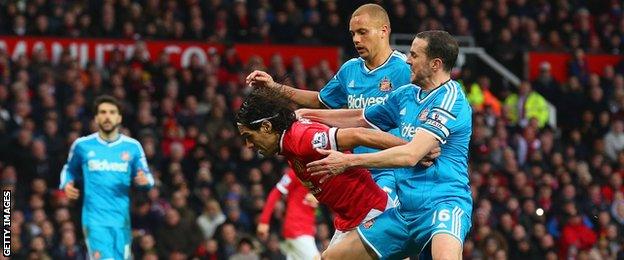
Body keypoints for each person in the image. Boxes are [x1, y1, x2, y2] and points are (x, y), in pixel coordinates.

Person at [299, 31, 472, 259]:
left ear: (435, 64)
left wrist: (348, 161)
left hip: (443, 205)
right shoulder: (406, 94)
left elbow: (411, 155)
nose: (407, 60)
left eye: (414, 55)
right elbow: (360, 117)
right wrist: (306, 115)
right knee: (331, 257)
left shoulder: (450, 99)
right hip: (404, 213)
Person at [245, 4, 438, 205]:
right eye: (353, 33)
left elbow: (430, 105)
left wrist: (424, 145)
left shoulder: (404, 69)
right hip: (357, 171)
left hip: (394, 170)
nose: (356, 39)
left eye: (363, 32)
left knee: (376, 227)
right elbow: (320, 101)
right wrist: (274, 86)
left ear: (384, 31)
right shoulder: (350, 69)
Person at [236, 87, 406, 248]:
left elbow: (358, 134)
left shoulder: (301, 138)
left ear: (266, 126)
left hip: (371, 213)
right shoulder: (287, 144)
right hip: (348, 220)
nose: (249, 145)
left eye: (249, 136)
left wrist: (411, 150)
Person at [59, 95, 155, 260]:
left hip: (121, 219)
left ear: (119, 117)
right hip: (94, 218)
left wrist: (146, 181)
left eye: (112, 112)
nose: (107, 116)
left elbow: (147, 176)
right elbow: (69, 169)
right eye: (102, 112)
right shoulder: (82, 145)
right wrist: (67, 183)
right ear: (96, 118)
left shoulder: (133, 147)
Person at [258, 169, 319, 259]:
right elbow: (276, 192)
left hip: (305, 229)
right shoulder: (296, 171)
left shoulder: (322, 173)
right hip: (297, 229)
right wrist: (264, 221)